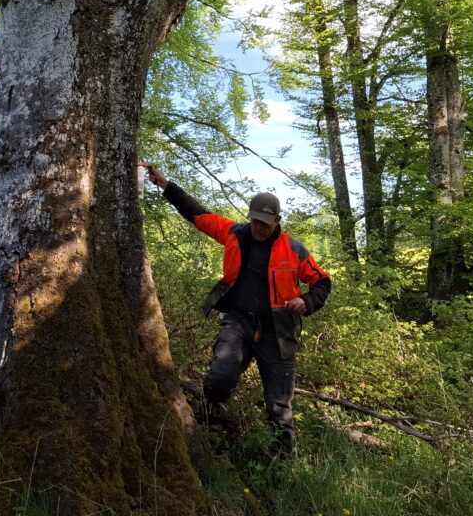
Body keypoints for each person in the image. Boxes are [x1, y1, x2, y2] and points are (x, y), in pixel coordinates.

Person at [142, 163, 331, 455]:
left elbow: (322, 282)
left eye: (265, 223)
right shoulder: (234, 233)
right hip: (239, 323)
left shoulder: (293, 249)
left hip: (278, 333)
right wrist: (166, 185)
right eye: (255, 221)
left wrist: (306, 302)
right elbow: (197, 213)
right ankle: (210, 421)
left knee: (279, 406)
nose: (259, 227)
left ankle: (279, 465)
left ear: (277, 220)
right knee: (218, 378)